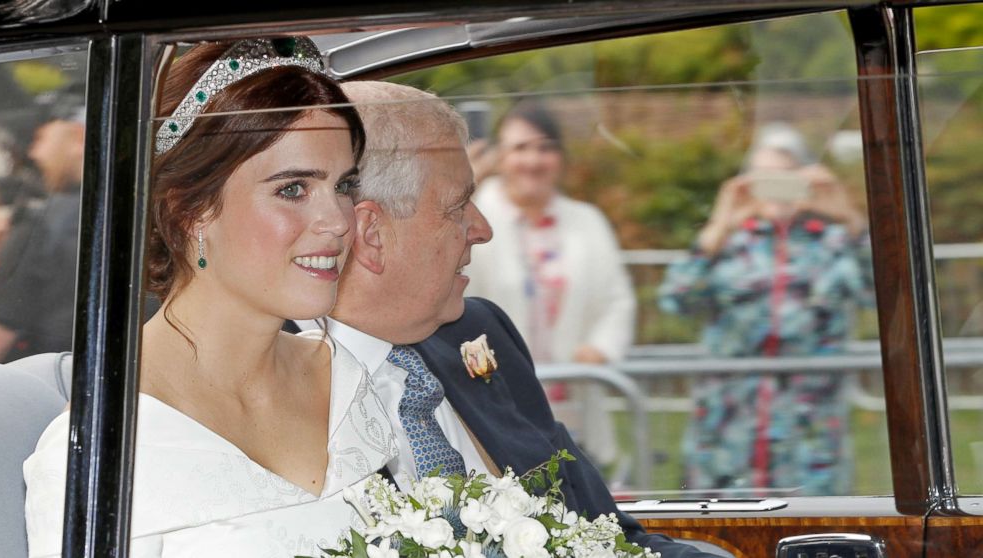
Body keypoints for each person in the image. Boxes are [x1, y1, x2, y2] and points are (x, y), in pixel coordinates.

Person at [292, 80, 719, 558]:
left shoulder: (480, 333)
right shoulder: (263, 391)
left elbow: (613, 536)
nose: (483, 228)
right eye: (458, 206)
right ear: (372, 233)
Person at [23, 38, 396, 558]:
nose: (338, 221)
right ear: (189, 211)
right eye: (293, 189)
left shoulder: (353, 378)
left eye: (344, 185)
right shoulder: (104, 449)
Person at [658, 122, 874, 496]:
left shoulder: (834, 243)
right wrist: (717, 225)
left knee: (813, 539)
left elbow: (889, 297)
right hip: (727, 430)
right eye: (763, 177)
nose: (775, 186)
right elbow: (676, 299)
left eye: (786, 176)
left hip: (808, 433)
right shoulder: (730, 242)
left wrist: (853, 220)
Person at [463, 100, 636, 467]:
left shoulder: (587, 221)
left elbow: (617, 300)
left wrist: (599, 349)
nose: (533, 160)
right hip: (496, 401)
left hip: (572, 402)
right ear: (499, 156)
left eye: (545, 147)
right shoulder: (473, 216)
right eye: (520, 148)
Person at [0, 111, 84, 362]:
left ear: (78, 137)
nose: (34, 153)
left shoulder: (42, 223)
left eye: (40, 139)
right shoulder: (136, 213)